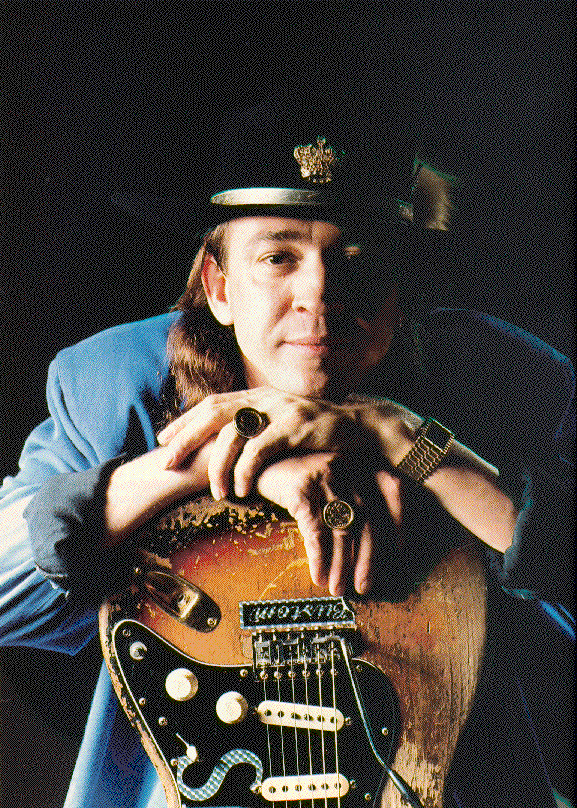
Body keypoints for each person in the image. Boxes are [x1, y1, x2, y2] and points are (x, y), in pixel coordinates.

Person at [0, 103, 574, 808]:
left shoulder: (499, 378)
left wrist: (402, 438)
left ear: (398, 287)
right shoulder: (119, 384)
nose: (319, 294)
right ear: (219, 287)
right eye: (278, 258)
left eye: (355, 259)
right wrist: (211, 458)